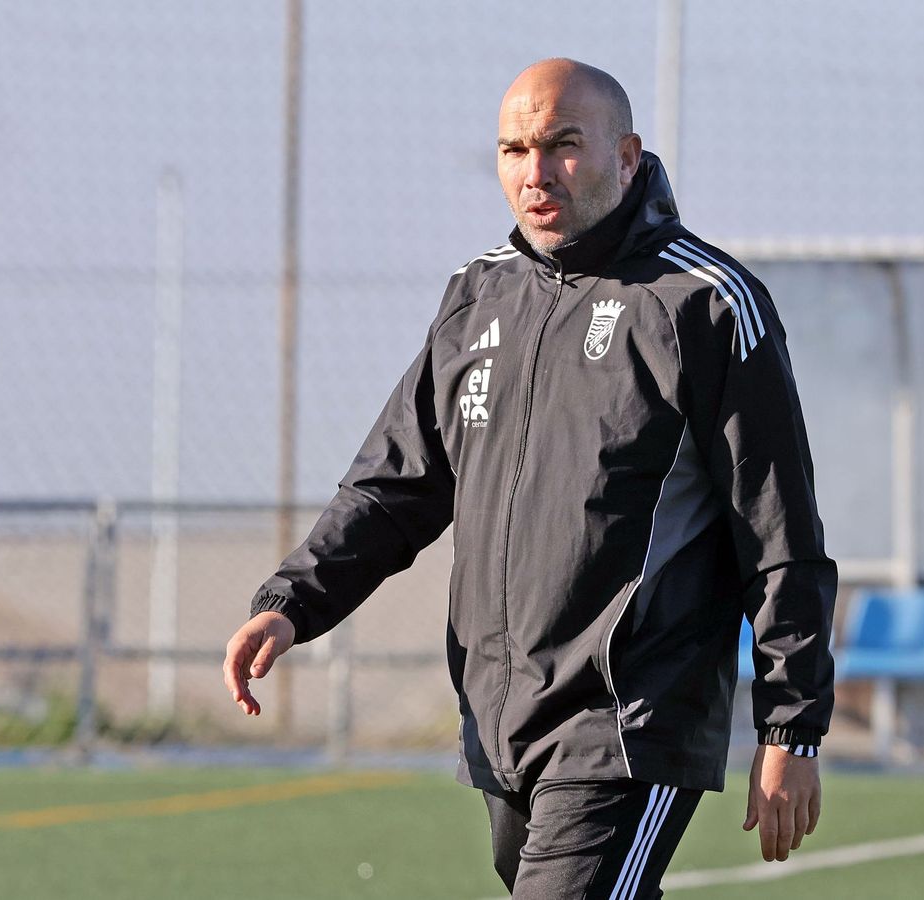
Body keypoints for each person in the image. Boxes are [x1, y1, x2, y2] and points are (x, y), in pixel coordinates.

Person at [223, 57, 836, 898]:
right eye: (515, 149)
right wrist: (294, 601)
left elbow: (781, 535)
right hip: (500, 718)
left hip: (628, 720)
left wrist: (791, 728)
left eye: (562, 145)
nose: (534, 172)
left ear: (627, 156)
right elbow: (395, 486)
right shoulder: (477, 297)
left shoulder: (708, 303)